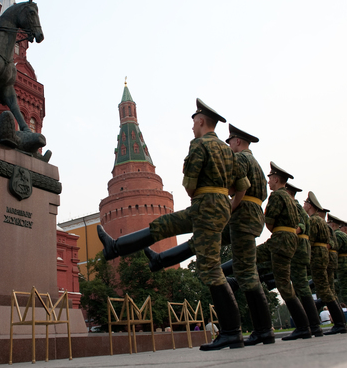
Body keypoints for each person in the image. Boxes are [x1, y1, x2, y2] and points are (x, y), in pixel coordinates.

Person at [97, 98, 251, 351]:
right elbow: (241, 187)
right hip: (217, 204)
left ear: (201, 121)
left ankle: (232, 332)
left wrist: (203, 195)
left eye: (194, 122)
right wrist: (227, 206)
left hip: (204, 205)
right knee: (164, 224)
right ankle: (117, 246)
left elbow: (189, 184)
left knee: (211, 269)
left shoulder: (200, 144)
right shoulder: (226, 150)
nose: (192, 127)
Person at [144, 124, 274, 347]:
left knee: (243, 272)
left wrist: (225, 199)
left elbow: (233, 184)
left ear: (238, 142)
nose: (229, 144)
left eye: (231, 141)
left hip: (239, 216)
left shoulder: (241, 159)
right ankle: (262, 330)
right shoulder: (256, 164)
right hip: (249, 216)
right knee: (208, 248)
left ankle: (256, 330)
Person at [256, 162, 310, 341]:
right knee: (284, 281)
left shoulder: (277, 196)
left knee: (283, 283)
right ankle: (306, 326)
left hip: (280, 240)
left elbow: (269, 221)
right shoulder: (289, 198)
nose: (268, 180)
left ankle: (303, 326)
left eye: (270, 178)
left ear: (276, 179)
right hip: (289, 239)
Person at [303, 192, 347, 335]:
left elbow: (309, 240)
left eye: (305, 203)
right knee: (327, 289)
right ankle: (341, 322)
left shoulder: (313, 221)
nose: (303, 205)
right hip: (324, 256)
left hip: (317, 256)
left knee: (324, 289)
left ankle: (340, 323)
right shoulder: (322, 221)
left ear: (309, 205)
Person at [285, 183, 322, 337]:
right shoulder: (301, 208)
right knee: (302, 286)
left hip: (298, 247)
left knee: (300, 286)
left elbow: (300, 226)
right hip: (303, 248)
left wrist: (288, 234)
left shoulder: (293, 205)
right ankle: (313, 325)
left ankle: (310, 325)